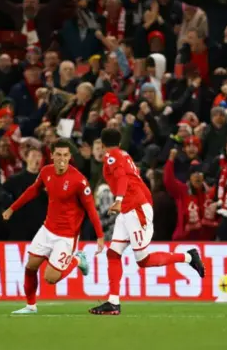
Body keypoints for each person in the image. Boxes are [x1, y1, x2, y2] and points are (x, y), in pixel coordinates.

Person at [89, 128, 205, 316]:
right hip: (129, 209)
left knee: (143, 260)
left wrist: (118, 200)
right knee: (113, 253)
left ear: (102, 145)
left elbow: (122, 178)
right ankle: (113, 302)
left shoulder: (111, 157)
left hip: (135, 209)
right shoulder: (123, 155)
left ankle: (189, 256)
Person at [2, 139, 105, 315]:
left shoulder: (78, 181)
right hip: (47, 229)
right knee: (30, 266)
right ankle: (31, 306)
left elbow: (91, 209)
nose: (62, 159)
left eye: (65, 155)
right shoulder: (46, 172)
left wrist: (100, 235)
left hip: (66, 236)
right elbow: (33, 190)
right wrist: (12, 208)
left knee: (50, 278)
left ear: (70, 156)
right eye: (58, 155)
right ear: (52, 156)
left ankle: (78, 259)